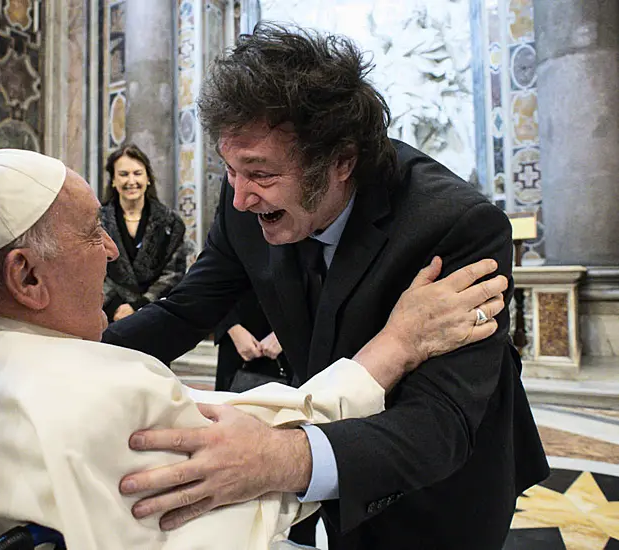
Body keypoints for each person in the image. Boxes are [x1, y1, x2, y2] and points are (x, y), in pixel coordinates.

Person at [0, 149, 505, 550]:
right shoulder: (104, 390)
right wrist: (394, 344)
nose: (107, 251)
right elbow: (255, 459)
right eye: (88, 235)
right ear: (26, 276)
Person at [103, 24, 549, 549]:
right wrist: (64, 356)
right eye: (229, 170)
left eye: (260, 174)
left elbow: (439, 423)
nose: (241, 198)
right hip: (331, 472)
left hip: (440, 489)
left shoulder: (454, 226)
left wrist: (278, 457)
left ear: (341, 162)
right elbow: (185, 313)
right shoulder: (245, 200)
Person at [101, 143, 187, 322]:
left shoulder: (171, 223)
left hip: (155, 317)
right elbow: (90, 268)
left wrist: (139, 306)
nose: (131, 181)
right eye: (123, 174)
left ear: (148, 178)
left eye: (137, 173)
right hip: (107, 317)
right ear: (114, 180)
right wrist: (115, 306)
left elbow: (174, 274)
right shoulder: (96, 221)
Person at [214, 291, 289, 392]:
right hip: (236, 337)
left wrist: (286, 331)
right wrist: (232, 327)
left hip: (293, 338)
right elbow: (211, 287)